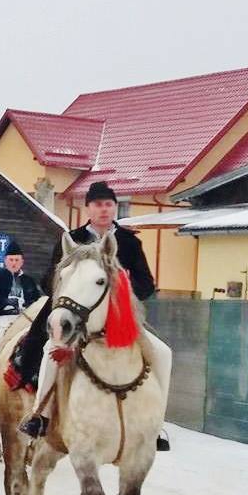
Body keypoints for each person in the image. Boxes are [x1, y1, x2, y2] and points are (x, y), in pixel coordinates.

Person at [17, 181, 171, 450]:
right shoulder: (71, 239)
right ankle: (39, 415)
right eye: (98, 204)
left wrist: (124, 289)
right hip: (75, 316)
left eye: (109, 204)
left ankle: (157, 424)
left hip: (118, 318)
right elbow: (49, 279)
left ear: (115, 208)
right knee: (49, 350)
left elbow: (147, 283)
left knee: (162, 353)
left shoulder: (129, 242)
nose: (104, 209)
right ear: (88, 208)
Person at [0, 240, 42, 392]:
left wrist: (29, 306)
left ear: (22, 261)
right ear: (5, 261)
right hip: (3, 316)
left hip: (24, 318)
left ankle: (34, 376)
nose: (14, 263)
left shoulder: (28, 281)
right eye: (11, 260)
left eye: (17, 260)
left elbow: (36, 300)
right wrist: (5, 301)